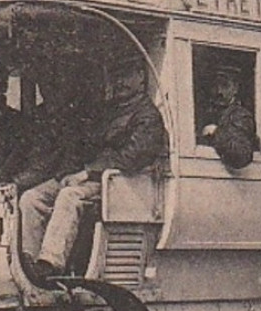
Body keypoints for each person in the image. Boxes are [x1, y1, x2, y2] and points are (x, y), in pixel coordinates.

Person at [20, 61, 167, 282]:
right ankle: (28, 261)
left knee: (70, 196)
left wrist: (89, 172)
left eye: (126, 75)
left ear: (141, 77)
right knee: (32, 197)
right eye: (116, 76)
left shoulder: (147, 116)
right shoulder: (107, 113)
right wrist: (66, 174)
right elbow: (83, 145)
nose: (120, 82)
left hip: (121, 182)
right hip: (92, 177)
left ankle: (50, 263)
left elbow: (132, 157)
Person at [199, 63, 257, 170]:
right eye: (215, 86)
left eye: (225, 85)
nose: (219, 91)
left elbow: (241, 154)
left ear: (235, 88)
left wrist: (216, 132)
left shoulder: (240, 116)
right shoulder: (207, 113)